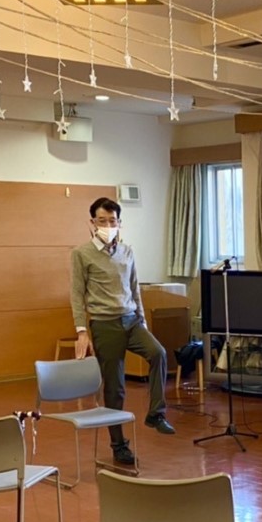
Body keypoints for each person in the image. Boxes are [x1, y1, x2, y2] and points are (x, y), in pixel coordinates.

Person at [70, 197, 175, 468]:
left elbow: (134, 287)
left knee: (158, 353)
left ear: (119, 223)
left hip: (132, 320)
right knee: (115, 388)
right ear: (92, 223)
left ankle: (156, 413)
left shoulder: (127, 251)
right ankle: (119, 446)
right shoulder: (81, 253)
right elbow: (77, 294)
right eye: (102, 221)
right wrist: (82, 331)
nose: (108, 225)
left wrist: (142, 321)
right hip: (104, 324)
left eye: (112, 221)